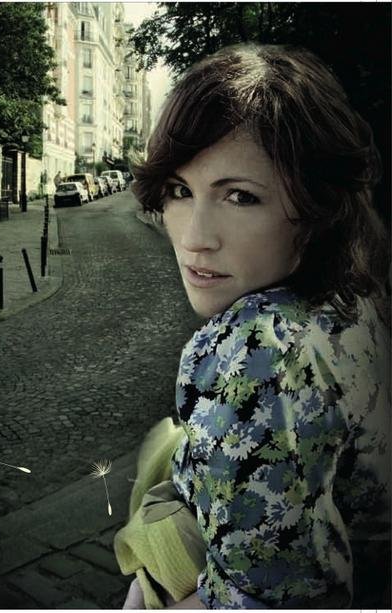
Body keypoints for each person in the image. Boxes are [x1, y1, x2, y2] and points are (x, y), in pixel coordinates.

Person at [118, 43, 390, 609]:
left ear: (317, 208)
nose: (195, 238)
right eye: (180, 191)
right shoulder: (356, 295)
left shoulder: (260, 353)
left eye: (240, 196)